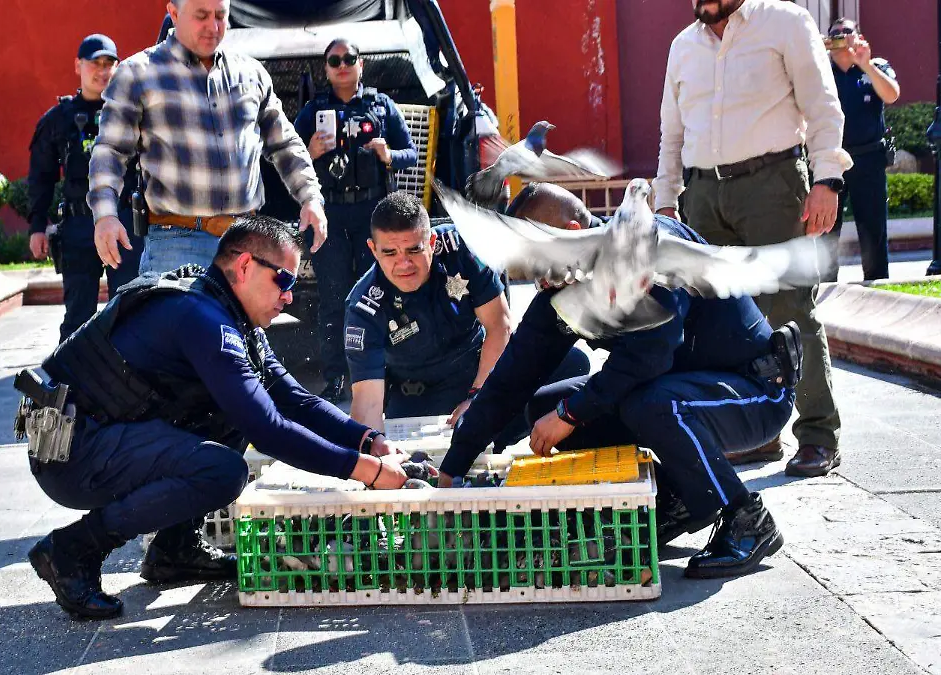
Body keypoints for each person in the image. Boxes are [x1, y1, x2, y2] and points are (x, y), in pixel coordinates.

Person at [26, 215, 408, 620]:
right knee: (223, 472)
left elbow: (294, 400)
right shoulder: (202, 318)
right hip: (72, 453)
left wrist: (368, 440)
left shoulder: (228, 313)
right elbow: (269, 430)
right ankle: (73, 549)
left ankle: (174, 550)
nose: (289, 296)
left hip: (103, 434)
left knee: (233, 413)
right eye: (284, 280)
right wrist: (364, 470)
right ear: (244, 266)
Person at [440, 208, 799, 579]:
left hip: (755, 392)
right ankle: (677, 497)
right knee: (545, 407)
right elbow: (511, 378)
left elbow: (652, 353)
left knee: (644, 405)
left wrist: (570, 414)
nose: (536, 279)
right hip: (678, 392)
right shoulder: (564, 287)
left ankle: (747, 517)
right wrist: (454, 467)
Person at [653, 0, 851, 477]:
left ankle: (818, 434)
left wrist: (827, 179)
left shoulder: (785, 22)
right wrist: (665, 202)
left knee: (789, 307)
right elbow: (671, 134)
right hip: (703, 194)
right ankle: (756, 433)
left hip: (773, 184)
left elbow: (822, 105)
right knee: (719, 321)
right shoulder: (682, 47)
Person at [88, 0, 327, 284]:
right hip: (175, 244)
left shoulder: (251, 73)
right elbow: (110, 151)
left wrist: (311, 197)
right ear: (174, 13)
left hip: (246, 244)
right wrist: (105, 215)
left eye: (220, 16)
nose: (212, 26)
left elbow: (285, 143)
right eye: (201, 16)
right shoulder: (138, 74)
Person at [344, 190, 589, 436]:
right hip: (420, 395)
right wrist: (374, 450)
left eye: (413, 250)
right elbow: (367, 403)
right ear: (373, 249)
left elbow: (499, 325)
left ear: (431, 242)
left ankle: (504, 432)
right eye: (390, 253)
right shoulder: (364, 307)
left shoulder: (461, 248)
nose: (404, 264)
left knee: (572, 363)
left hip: (481, 369)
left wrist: (479, 397)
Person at [293, 38, 419, 402]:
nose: (343, 65)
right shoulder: (313, 111)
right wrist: (310, 151)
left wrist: (388, 154)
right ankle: (335, 378)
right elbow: (284, 159)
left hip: (373, 214)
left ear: (361, 64)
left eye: (349, 58)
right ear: (326, 69)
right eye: (334, 61)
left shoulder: (381, 106)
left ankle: (383, 375)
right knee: (334, 298)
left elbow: (410, 153)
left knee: (378, 295)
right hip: (329, 214)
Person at [28, 34, 145, 341]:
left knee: (129, 311)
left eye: (109, 64)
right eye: (95, 63)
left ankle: (126, 372)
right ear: (78, 66)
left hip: (125, 223)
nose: (102, 71)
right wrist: (37, 225)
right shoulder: (58, 120)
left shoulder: (133, 113)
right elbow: (41, 176)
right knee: (78, 318)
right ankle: (71, 373)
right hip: (78, 226)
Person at [823, 17, 900, 282]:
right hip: (830, 160)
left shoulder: (875, 66)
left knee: (872, 229)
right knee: (825, 230)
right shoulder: (820, 72)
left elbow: (892, 94)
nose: (841, 35)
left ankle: (877, 285)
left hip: (869, 159)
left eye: (847, 31)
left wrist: (864, 63)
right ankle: (825, 288)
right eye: (835, 33)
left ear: (859, 37)